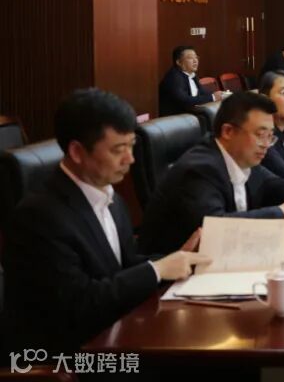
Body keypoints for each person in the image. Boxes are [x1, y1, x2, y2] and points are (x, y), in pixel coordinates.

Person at [2, 89, 211, 351]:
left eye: (131, 146)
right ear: (77, 152)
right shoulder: (38, 216)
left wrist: (179, 257)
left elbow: (122, 266)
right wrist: (157, 270)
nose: (130, 159)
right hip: (67, 358)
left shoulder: (110, 197)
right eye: (118, 149)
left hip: (114, 333)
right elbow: (79, 304)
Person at [139, 92, 284, 254]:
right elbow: (217, 227)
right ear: (228, 131)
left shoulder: (241, 156)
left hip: (226, 256)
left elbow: (271, 183)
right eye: (260, 135)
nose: (266, 144)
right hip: (175, 275)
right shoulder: (199, 169)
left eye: (270, 136)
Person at [158, 45, 221, 116]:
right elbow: (184, 100)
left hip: (188, 113)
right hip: (174, 118)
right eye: (190, 58)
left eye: (196, 57)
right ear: (178, 62)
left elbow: (201, 92)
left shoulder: (191, 74)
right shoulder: (174, 77)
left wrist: (219, 94)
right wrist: (213, 97)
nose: (195, 61)